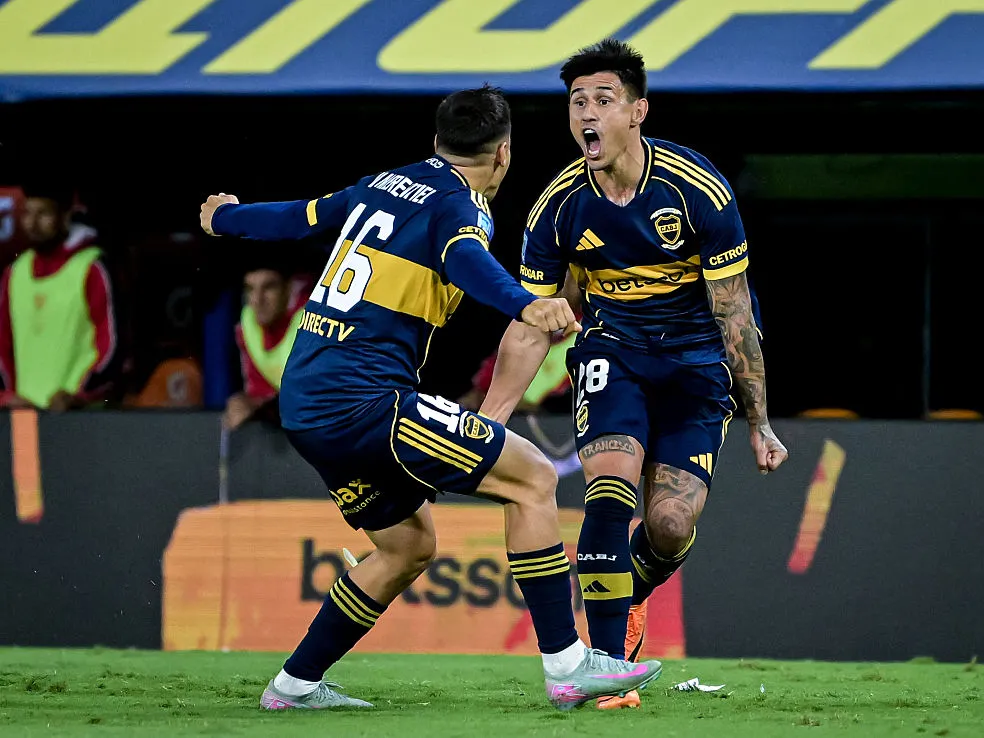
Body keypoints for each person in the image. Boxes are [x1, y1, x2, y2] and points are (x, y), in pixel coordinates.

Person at [199, 86, 662, 712]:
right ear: (502, 154)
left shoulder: (384, 184)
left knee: (407, 546)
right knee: (530, 478)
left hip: (305, 402)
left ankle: (293, 686)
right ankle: (568, 667)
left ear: (437, 142)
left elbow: (298, 217)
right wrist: (529, 303)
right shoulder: (460, 207)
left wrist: (224, 217)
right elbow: (467, 259)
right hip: (362, 401)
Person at [479, 40, 789, 710]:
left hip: (698, 363)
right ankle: (610, 666)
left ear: (638, 112)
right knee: (610, 489)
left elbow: (735, 313)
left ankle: (632, 592)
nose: (586, 113)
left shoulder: (696, 189)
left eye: (602, 99)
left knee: (671, 524)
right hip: (613, 354)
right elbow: (533, 321)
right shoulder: (557, 207)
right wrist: (491, 420)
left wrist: (760, 421)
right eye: (576, 101)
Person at [0, 184, 118, 411]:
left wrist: (80, 397)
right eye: (26, 213)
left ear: (65, 216)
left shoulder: (92, 268)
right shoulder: (13, 274)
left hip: (76, 419)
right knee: (25, 449)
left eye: (43, 213)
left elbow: (111, 350)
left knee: (76, 448)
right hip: (24, 419)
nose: (32, 223)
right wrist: (7, 396)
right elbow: (2, 349)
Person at [224, 255, 311, 430]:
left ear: (288, 289)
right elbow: (259, 391)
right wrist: (248, 402)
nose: (257, 300)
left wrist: (263, 406)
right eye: (250, 289)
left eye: (269, 287)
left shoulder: (312, 321)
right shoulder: (247, 327)